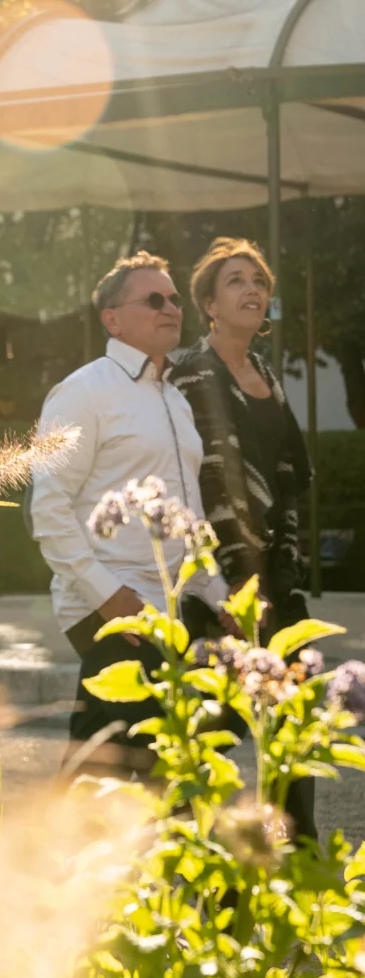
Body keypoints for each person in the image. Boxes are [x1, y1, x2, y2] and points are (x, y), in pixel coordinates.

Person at [29, 251, 225, 777]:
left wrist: (218, 593)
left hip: (175, 609)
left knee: (174, 762)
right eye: (154, 299)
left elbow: (190, 512)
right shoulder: (82, 392)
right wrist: (108, 595)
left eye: (175, 298)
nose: (171, 308)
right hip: (112, 606)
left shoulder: (175, 401)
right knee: (105, 766)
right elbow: (48, 509)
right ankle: (60, 858)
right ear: (111, 318)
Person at [170, 236, 316, 839]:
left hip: (278, 579)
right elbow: (203, 480)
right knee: (213, 731)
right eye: (235, 281)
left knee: (293, 728)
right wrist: (231, 580)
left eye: (258, 282)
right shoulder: (189, 371)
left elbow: (289, 476)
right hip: (218, 583)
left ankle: (296, 858)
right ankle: (202, 865)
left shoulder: (265, 375)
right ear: (208, 302)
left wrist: (281, 566)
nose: (252, 290)